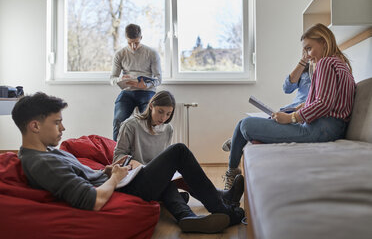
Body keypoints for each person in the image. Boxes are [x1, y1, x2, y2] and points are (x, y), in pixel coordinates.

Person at [12, 92, 245, 234]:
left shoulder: (48, 153)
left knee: (163, 172)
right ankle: (225, 210)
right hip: (120, 189)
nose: (63, 128)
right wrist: (115, 177)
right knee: (179, 152)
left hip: (118, 180)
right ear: (35, 126)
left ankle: (187, 217)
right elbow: (91, 200)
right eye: (57, 122)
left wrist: (108, 171)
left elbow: (84, 176)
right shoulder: (41, 162)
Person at [222, 23, 356, 189]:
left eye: (309, 48)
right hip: (329, 128)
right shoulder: (340, 64)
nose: (308, 55)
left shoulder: (325, 63)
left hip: (320, 129)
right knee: (242, 125)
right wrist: (301, 108)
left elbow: (323, 104)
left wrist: (291, 118)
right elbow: (328, 101)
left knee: (246, 125)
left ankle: (231, 178)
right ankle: (233, 174)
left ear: (323, 42)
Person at [221, 51, 312, 153]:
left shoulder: (325, 70)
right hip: (289, 109)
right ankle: (243, 142)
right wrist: (303, 61)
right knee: (260, 120)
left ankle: (240, 141)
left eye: (309, 48)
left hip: (302, 113)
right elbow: (287, 88)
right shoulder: (306, 69)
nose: (307, 51)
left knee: (252, 125)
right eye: (305, 48)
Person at [111, 23, 162, 141]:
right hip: (127, 92)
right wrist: (120, 80)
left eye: (136, 43)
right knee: (118, 120)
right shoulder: (120, 54)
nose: (133, 46)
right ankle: (115, 154)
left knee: (148, 121)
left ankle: (148, 154)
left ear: (141, 38)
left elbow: (159, 79)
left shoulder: (151, 53)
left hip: (147, 92)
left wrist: (147, 84)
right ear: (126, 39)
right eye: (130, 43)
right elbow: (112, 78)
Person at [113, 90, 175, 165]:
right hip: (137, 171)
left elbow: (164, 158)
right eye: (160, 112)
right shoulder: (130, 125)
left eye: (168, 114)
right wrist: (132, 162)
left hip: (157, 171)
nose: (163, 118)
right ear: (151, 106)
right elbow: (117, 156)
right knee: (180, 148)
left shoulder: (168, 129)